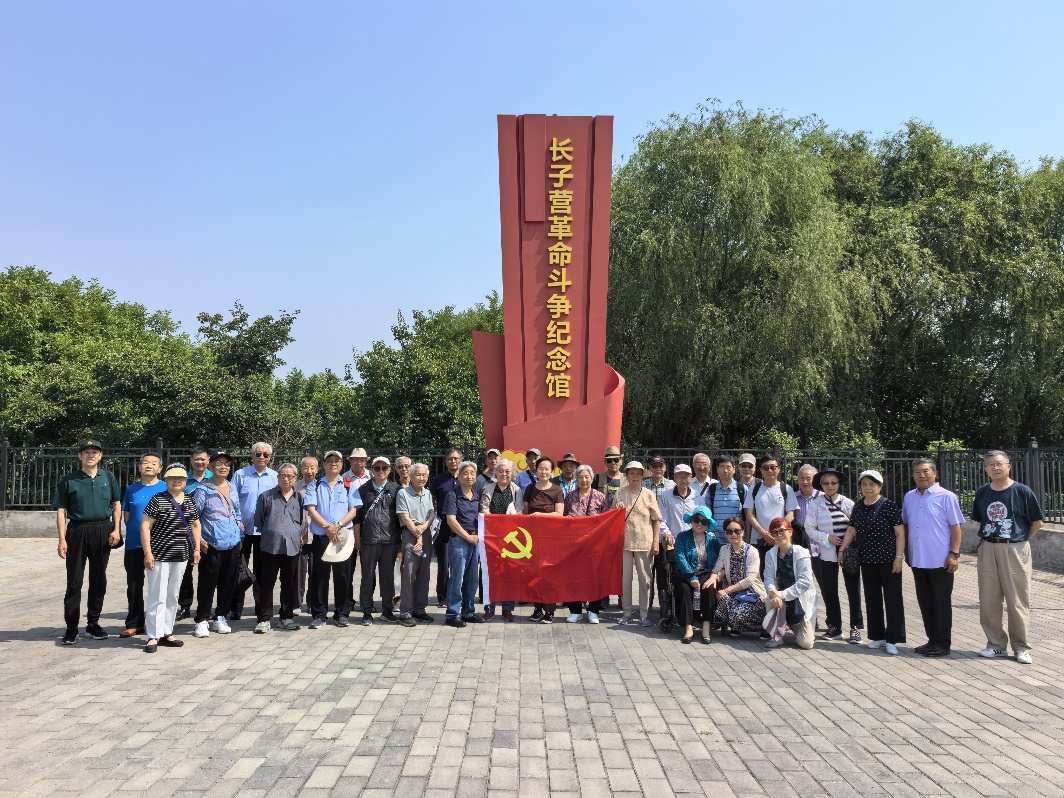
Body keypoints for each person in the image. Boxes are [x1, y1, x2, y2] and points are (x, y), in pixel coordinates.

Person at [972, 450, 1044, 664]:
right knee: (989, 600)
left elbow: (1037, 522)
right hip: (988, 548)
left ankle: (1021, 647)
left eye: (999, 463)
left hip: (1015, 549)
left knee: (1017, 600)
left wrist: (1021, 541)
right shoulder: (982, 493)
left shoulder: (1022, 491)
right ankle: (995, 645)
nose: (995, 467)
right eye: (991, 464)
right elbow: (981, 520)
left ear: (1008, 466)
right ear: (985, 469)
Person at [54, 438, 122, 645]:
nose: (90, 455)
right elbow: (61, 510)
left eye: (94, 452)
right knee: (74, 581)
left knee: (99, 578)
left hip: (102, 530)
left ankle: (93, 623)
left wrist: (116, 529)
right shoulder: (69, 479)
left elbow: (116, 504)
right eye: (86, 452)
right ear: (80, 456)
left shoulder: (108, 477)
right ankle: (71, 627)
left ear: (100, 456)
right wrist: (62, 539)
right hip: (77, 530)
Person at [901, 458, 964, 657]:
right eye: (917, 472)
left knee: (941, 603)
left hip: (940, 560)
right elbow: (906, 525)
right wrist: (907, 552)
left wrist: (954, 554)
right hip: (918, 559)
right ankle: (932, 640)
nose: (921, 475)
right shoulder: (909, 497)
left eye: (925, 471)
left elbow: (956, 527)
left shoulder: (947, 497)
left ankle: (943, 644)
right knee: (925, 602)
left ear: (934, 473)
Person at [838, 470, 906, 655]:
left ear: (880, 487)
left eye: (872, 484)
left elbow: (900, 533)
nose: (867, 487)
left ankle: (892, 639)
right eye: (864, 484)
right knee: (872, 598)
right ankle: (878, 636)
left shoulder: (889, 505)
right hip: (867, 560)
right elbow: (851, 530)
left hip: (889, 560)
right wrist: (842, 549)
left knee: (892, 599)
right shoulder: (859, 506)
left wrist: (899, 558)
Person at [140, 464, 201, 652]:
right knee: (157, 595)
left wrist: (197, 549)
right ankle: (153, 635)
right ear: (166, 480)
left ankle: (167, 631)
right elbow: (145, 526)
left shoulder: (189, 500)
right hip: (159, 554)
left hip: (181, 555)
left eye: (181, 478)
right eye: (173, 478)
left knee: (173, 595)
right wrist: (148, 553)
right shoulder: (158, 499)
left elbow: (196, 524)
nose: (177, 481)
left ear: (185, 481)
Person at [303, 450, 362, 628]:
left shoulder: (349, 485)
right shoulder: (315, 485)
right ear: (324, 464)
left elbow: (353, 510)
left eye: (337, 460)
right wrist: (327, 527)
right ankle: (319, 614)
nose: (333, 463)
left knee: (343, 576)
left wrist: (338, 526)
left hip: (342, 537)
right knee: (319, 577)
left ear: (342, 465)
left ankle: (342, 613)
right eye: (329, 460)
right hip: (321, 537)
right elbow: (311, 509)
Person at [188, 451, 243, 638]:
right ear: (211, 467)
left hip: (232, 542)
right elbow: (193, 518)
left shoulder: (232, 487)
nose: (223, 466)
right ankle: (202, 619)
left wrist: (240, 535)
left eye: (226, 463)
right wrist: (199, 541)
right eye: (219, 463)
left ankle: (221, 616)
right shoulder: (202, 490)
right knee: (207, 583)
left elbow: (237, 512)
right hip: (210, 543)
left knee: (227, 582)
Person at [804, 468, 862, 643]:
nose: (830, 486)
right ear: (821, 485)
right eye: (826, 483)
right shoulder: (816, 504)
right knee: (830, 590)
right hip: (827, 551)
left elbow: (856, 526)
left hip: (848, 552)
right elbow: (809, 528)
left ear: (839, 484)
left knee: (853, 590)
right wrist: (827, 537)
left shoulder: (848, 503)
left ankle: (855, 627)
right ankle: (835, 627)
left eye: (834, 482)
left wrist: (845, 543)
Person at [119, 452, 166, 638]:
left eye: (154, 463)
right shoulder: (132, 489)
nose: (149, 466)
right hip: (134, 545)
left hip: (159, 545)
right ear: (139, 467)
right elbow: (127, 516)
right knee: (133, 585)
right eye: (145, 462)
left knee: (159, 586)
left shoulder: (166, 488)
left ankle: (159, 624)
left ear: (160, 468)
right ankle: (135, 623)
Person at [253, 463, 304, 632]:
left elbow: (302, 520)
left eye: (290, 476)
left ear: (295, 479)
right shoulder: (266, 496)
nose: (286, 479)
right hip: (270, 546)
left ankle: (286, 617)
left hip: (292, 547)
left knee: (289, 583)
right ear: (278, 477)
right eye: (283, 475)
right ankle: (264, 618)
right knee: (266, 583)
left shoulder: (300, 498)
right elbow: (259, 521)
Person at [230, 441, 278, 619]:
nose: (262, 457)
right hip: (242, 530)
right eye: (258, 454)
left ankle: (261, 607)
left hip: (265, 531)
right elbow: (231, 500)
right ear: (252, 455)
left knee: (262, 571)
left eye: (266, 455)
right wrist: (237, 522)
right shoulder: (240, 475)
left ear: (270, 457)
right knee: (237, 569)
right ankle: (235, 608)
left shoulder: (274, 477)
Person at [614, 461, 662, 626]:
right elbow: (612, 518)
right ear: (627, 476)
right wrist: (617, 509)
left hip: (644, 542)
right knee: (625, 579)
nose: (635, 477)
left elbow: (656, 519)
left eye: (638, 474)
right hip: (625, 543)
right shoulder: (620, 493)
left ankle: (644, 614)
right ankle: (626, 613)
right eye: (632, 473)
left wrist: (656, 542)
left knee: (644, 579)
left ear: (642, 476)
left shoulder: (648, 494)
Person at [563, 464, 610, 624]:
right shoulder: (570, 497)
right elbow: (564, 517)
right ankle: (575, 610)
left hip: (594, 545)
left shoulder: (600, 497)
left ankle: (593, 610)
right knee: (573, 577)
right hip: (574, 545)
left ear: (592, 478)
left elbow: (606, 519)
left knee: (594, 577)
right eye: (580, 477)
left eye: (586, 477)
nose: (583, 480)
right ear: (576, 479)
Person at [480, 458, 525, 621]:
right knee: (491, 573)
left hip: (511, 539)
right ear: (496, 473)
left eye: (507, 471)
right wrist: (496, 524)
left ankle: (507, 609)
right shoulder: (488, 488)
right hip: (492, 537)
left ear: (512, 473)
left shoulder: (516, 490)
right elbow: (484, 509)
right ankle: (489, 608)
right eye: (501, 471)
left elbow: (519, 511)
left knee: (509, 574)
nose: (504, 474)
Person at [357, 457, 401, 626]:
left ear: (389, 470)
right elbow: (357, 516)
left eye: (384, 468)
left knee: (388, 577)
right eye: (377, 468)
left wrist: (400, 541)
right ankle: (367, 612)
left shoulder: (396, 489)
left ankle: (387, 610)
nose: (380, 471)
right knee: (367, 577)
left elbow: (400, 516)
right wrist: (358, 539)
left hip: (390, 539)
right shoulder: (363, 489)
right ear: (372, 470)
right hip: (369, 539)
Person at [762, 517, 817, 650]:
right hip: (780, 599)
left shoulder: (802, 553)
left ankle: (792, 623)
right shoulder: (770, 554)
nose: (779, 534)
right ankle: (777, 636)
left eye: (782, 530)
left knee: (806, 644)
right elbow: (768, 577)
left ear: (790, 532)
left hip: (800, 599)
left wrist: (781, 594)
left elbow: (805, 582)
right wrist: (773, 593)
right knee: (769, 599)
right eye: (775, 532)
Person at [707, 517, 767, 636]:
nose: (733, 534)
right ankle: (736, 625)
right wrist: (714, 577)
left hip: (753, 594)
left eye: (737, 531)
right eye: (729, 531)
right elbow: (717, 568)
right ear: (725, 533)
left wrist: (726, 590)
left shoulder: (752, 551)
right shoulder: (724, 549)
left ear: (743, 532)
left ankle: (764, 627)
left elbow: (749, 580)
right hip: (735, 595)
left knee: (737, 613)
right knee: (719, 608)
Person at [524, 456, 565, 623]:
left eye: (547, 469)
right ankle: (537, 609)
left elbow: (560, 514)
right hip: (532, 539)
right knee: (534, 574)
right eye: (541, 468)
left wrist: (541, 515)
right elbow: (525, 514)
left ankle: (550, 610)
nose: (543, 471)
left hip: (551, 539)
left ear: (552, 471)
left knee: (549, 575)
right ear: (536, 470)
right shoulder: (530, 489)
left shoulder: (557, 490)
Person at [672, 506, 722, 644]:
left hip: (705, 574)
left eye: (704, 521)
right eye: (696, 519)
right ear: (691, 520)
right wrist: (692, 577)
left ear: (708, 524)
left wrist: (716, 575)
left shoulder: (713, 541)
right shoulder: (682, 537)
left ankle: (706, 626)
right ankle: (688, 627)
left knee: (710, 588)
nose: (699, 523)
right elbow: (680, 558)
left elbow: (721, 559)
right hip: (685, 574)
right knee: (684, 589)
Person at [442, 461, 483, 628]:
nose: (469, 476)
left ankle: (468, 612)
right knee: (457, 579)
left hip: (475, 541)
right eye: (465, 473)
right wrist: (467, 537)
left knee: (472, 580)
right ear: (458, 476)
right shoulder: (452, 495)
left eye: (472, 473)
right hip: (459, 540)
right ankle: (452, 614)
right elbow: (451, 521)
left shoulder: (477, 495)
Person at [743, 455, 797, 579]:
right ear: (761, 470)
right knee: (762, 576)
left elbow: (791, 514)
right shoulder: (754, 489)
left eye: (773, 467)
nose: (770, 470)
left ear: (779, 469)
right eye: (766, 468)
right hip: (759, 541)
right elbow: (749, 514)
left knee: (782, 576)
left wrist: (776, 532)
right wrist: (764, 533)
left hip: (781, 540)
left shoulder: (786, 489)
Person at [396, 463, 436, 627]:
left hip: (425, 533)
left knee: (424, 573)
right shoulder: (403, 493)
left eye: (424, 475)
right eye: (418, 475)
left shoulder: (427, 493)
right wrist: (417, 534)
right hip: (410, 534)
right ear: (411, 476)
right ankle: (405, 612)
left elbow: (432, 513)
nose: (421, 478)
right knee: (409, 573)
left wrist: (424, 528)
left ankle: (419, 609)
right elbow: (404, 516)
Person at [177, 446, 212, 620]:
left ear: (208, 460)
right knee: (184, 572)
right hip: (185, 533)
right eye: (196, 459)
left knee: (208, 573)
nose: (200, 462)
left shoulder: (215, 479)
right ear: (191, 460)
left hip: (209, 534)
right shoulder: (183, 480)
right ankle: (185, 606)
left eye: (203, 459)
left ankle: (205, 608)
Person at [430, 448, 463, 607]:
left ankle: (459, 593)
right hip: (443, 525)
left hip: (462, 525)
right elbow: (431, 502)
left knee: (460, 562)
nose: (453, 461)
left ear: (461, 460)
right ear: (445, 461)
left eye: (456, 458)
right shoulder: (438, 480)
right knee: (443, 563)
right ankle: (442, 595)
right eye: (450, 458)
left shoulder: (466, 478)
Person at [294, 456, 320, 614]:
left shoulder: (321, 486)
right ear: (301, 469)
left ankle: (312, 602)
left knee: (315, 571)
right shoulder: (295, 487)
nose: (309, 471)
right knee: (299, 572)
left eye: (312, 467)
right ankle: (297, 603)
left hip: (317, 535)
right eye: (306, 467)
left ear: (317, 469)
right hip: (300, 537)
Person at [707, 457, 746, 545]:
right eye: (722, 467)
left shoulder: (742, 489)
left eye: (728, 467)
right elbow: (708, 515)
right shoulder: (711, 489)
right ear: (717, 469)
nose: (725, 471)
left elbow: (747, 516)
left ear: (734, 469)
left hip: (736, 538)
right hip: (715, 540)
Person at [658, 464, 698, 546]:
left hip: (694, 541)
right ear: (675, 478)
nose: (683, 480)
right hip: (673, 542)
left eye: (686, 477)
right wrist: (667, 533)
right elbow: (661, 519)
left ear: (691, 478)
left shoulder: (697, 496)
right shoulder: (665, 496)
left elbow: (702, 519)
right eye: (680, 477)